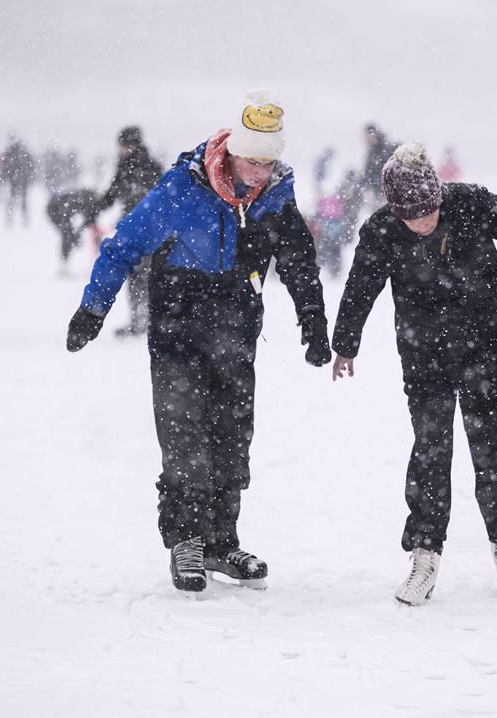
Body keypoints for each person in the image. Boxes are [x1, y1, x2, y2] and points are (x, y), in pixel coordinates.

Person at [65, 89, 331, 595]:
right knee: (184, 435)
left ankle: (221, 541)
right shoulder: (182, 187)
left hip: (237, 330)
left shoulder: (275, 195)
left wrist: (313, 322)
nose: (260, 172)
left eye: (268, 163)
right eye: (252, 162)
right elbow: (124, 246)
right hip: (178, 330)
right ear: (232, 153)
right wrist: (93, 309)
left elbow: (298, 261)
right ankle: (186, 540)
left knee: (232, 436)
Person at [330, 142, 497, 606]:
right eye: (413, 217)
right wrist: (345, 344)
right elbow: (360, 286)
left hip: (490, 343)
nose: (423, 222)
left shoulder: (470, 203)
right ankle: (425, 554)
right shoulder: (382, 230)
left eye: (429, 211)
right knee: (430, 450)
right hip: (424, 351)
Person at [92, 126, 164, 337]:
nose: (120, 150)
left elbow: (112, 196)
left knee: (140, 276)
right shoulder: (144, 166)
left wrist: (96, 207)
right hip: (146, 230)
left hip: (141, 230)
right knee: (142, 276)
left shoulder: (135, 168)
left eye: (122, 146)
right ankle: (144, 321)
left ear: (131, 145)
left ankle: (143, 321)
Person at [46, 188, 99, 272]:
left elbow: (90, 221)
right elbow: (66, 224)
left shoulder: (90, 203)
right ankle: (63, 264)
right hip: (53, 210)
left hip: (63, 208)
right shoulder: (73, 203)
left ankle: (97, 261)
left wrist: (79, 231)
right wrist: (75, 236)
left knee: (70, 234)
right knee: (67, 234)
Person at [361, 123, 398, 209]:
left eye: (369, 135)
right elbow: (368, 173)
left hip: (386, 193)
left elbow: (388, 170)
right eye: (366, 136)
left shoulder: (384, 149)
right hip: (377, 193)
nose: (367, 139)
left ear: (375, 134)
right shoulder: (371, 151)